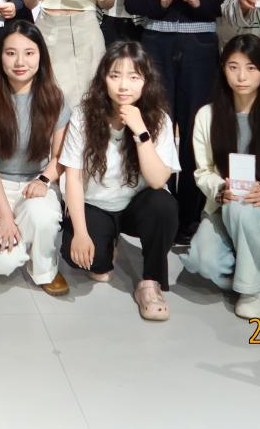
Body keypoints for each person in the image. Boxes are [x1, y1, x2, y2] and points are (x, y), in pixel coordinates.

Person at [126, 0, 236, 243]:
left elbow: (229, 2)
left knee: (194, 131)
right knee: (154, 128)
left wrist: (201, 1)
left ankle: (190, 216)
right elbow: (132, 1)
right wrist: (157, 2)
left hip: (200, 48)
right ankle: (155, 212)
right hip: (156, 45)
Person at [179, 35, 260, 319]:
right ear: (223, 69)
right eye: (233, 67)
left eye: (251, 68)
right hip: (223, 207)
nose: (241, 76)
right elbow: (204, 170)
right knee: (202, 262)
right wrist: (220, 189)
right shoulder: (207, 116)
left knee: (242, 208)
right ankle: (253, 261)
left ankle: (252, 291)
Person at [60, 41, 179, 320]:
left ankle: (150, 282)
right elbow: (73, 177)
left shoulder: (158, 118)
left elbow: (158, 180)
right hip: (97, 204)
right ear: (104, 78)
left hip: (137, 205)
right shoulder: (83, 115)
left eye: (134, 77)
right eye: (115, 75)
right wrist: (81, 233)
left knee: (163, 205)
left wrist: (140, 131)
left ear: (146, 81)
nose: (124, 85)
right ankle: (107, 244)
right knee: (93, 266)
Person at [0, 19, 71, 297]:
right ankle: (6, 240)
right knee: (3, 263)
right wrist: (5, 215)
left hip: (34, 183)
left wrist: (44, 180)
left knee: (42, 218)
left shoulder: (55, 98)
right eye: (11, 53)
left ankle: (45, 269)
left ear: (41, 56)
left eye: (29, 53)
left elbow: (60, 156)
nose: (20, 62)